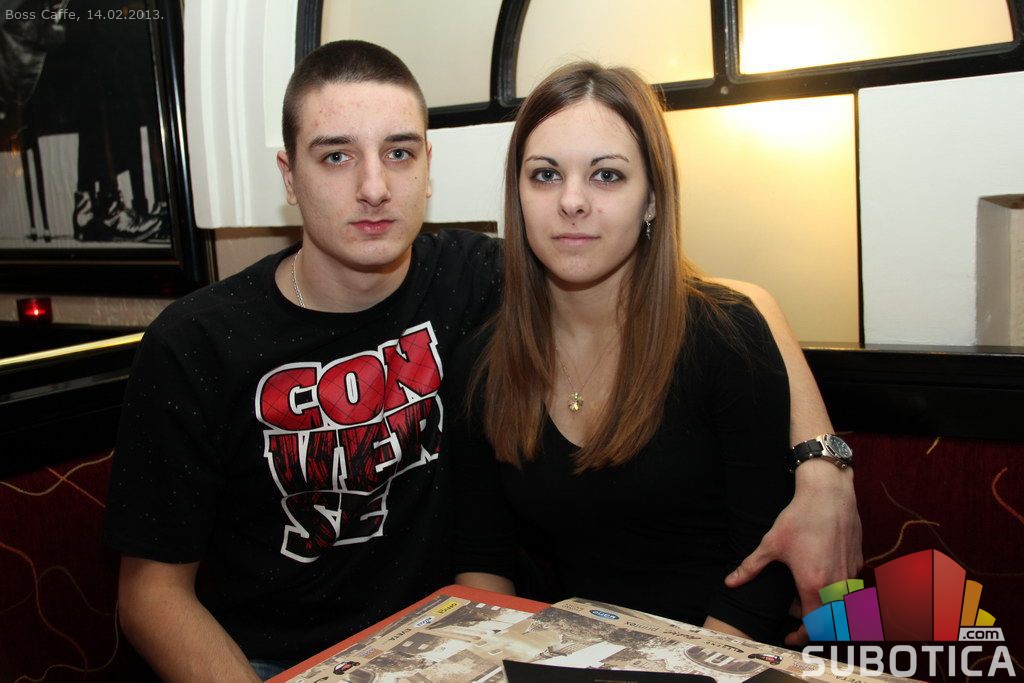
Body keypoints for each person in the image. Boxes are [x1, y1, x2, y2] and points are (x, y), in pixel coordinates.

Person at [102, 41, 857, 681]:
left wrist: (825, 468)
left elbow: (736, 306)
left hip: (453, 642)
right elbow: (148, 595)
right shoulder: (197, 342)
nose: (373, 188)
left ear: (428, 166)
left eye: (399, 153)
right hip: (273, 660)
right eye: (335, 156)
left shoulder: (472, 280)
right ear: (289, 176)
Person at [451, 61, 856, 645]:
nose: (571, 201)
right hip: (573, 655)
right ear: (518, 196)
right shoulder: (482, 364)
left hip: (734, 648)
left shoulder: (724, 337)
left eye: (607, 175)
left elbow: (760, 582)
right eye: (545, 174)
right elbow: (483, 560)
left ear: (652, 201)